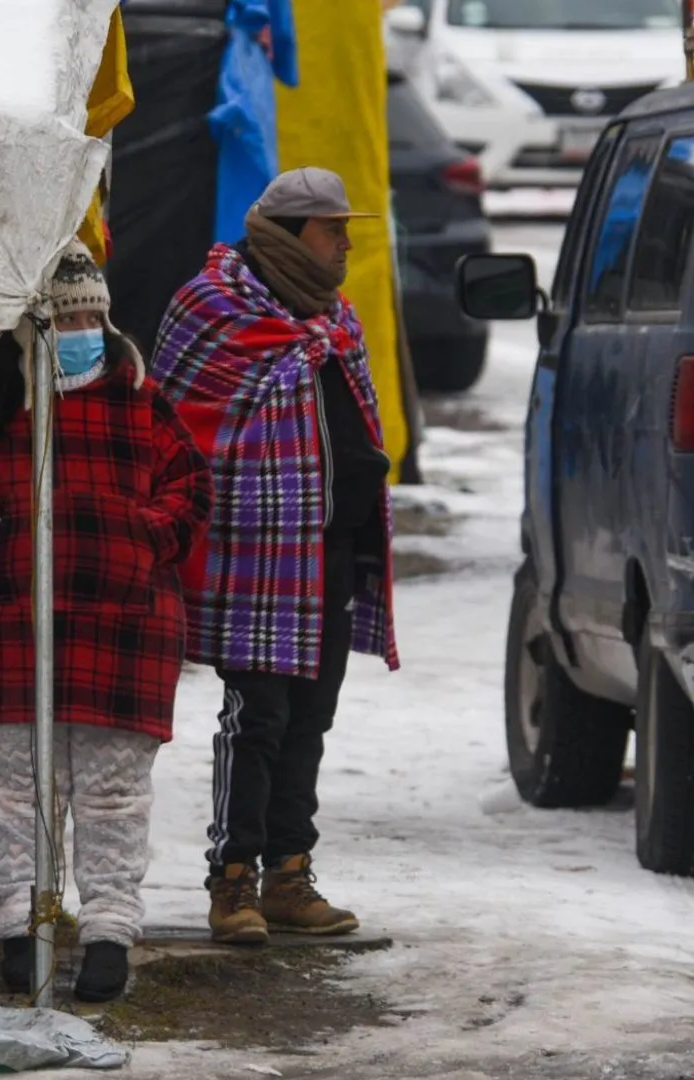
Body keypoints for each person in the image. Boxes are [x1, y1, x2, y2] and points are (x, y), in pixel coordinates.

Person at [0, 241, 213, 1002]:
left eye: (93, 316)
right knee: (14, 792)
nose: (83, 328)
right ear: (33, 322)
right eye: (67, 316)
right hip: (10, 627)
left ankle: (109, 931)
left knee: (112, 794)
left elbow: (189, 490)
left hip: (123, 628)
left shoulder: (142, 397)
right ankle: (20, 925)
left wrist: (140, 537)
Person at [150, 166, 399, 946]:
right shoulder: (213, 311)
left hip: (329, 549)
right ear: (289, 237)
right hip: (257, 554)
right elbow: (180, 428)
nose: (346, 245)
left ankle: (291, 874)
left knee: (311, 718)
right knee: (258, 715)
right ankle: (234, 883)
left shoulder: (333, 319)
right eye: (333, 231)